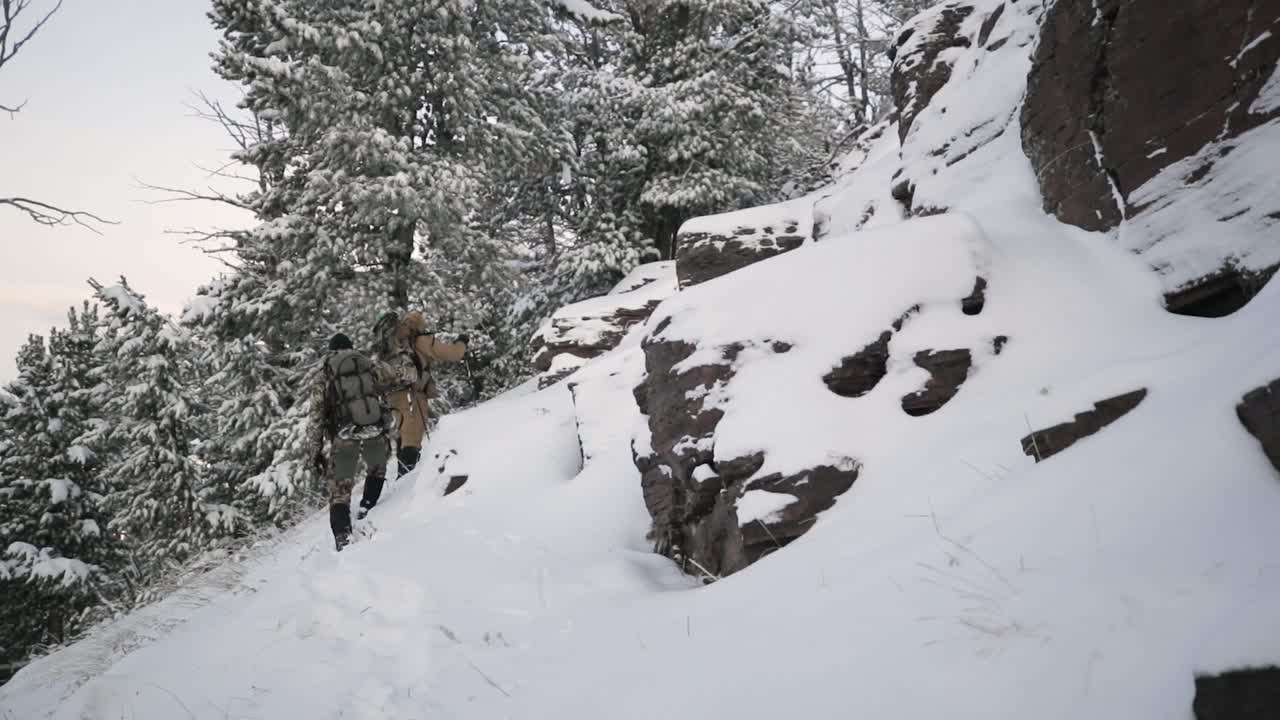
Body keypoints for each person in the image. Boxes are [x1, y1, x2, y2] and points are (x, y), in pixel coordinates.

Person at [307, 333, 395, 550]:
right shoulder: (366, 365)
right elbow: (389, 381)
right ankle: (367, 508)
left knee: (340, 489)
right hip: (374, 430)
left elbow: (316, 416)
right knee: (377, 471)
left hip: (345, 435)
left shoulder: (325, 374)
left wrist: (315, 450)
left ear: (331, 350)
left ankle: (343, 539)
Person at [372, 310, 468, 479]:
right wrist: (462, 342)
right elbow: (454, 354)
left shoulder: (395, 343)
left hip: (393, 395)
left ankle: (403, 477)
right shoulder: (421, 340)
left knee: (405, 434)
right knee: (412, 439)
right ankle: (407, 481)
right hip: (411, 394)